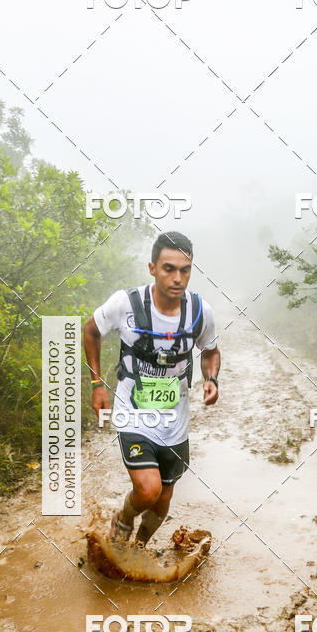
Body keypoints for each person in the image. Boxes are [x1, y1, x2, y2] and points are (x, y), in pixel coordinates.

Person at [83, 231, 220, 547]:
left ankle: (138, 547)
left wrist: (211, 379)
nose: (177, 278)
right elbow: (90, 331)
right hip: (133, 412)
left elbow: (210, 351)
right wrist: (96, 384)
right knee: (148, 489)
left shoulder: (200, 313)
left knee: (162, 498)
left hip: (175, 420)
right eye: (168, 268)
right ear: (152, 268)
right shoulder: (126, 304)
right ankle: (123, 519)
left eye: (184, 270)